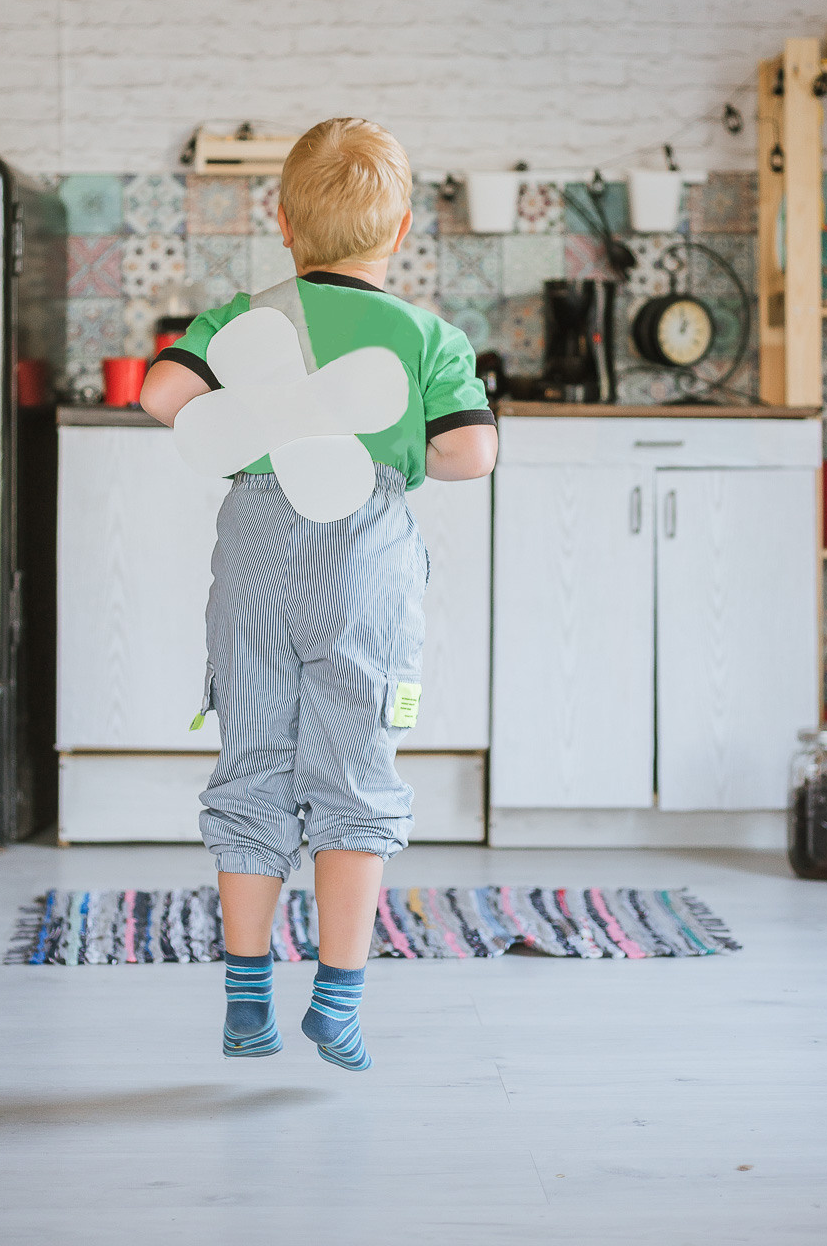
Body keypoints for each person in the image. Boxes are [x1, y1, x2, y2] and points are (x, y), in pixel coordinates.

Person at [140, 118, 497, 1070]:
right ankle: (335, 1003)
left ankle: (246, 1000)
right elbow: (472, 452)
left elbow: (160, 398)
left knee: (254, 765)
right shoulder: (425, 333)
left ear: (285, 224)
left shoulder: (244, 319)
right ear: (404, 228)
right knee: (353, 779)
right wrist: (392, 446)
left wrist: (259, 410)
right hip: (363, 564)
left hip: (255, 551)